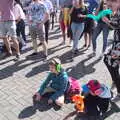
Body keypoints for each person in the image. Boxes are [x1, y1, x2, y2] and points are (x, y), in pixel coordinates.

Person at [103, 0, 120, 102]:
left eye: (110, 4)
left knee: (111, 63)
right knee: (108, 61)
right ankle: (116, 80)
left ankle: (119, 90)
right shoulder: (117, 11)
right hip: (117, 43)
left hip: (118, 45)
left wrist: (107, 21)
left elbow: (116, 25)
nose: (109, 7)